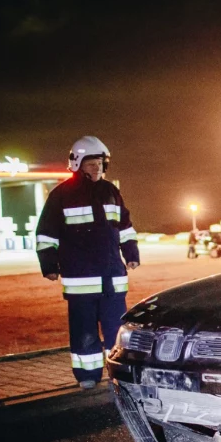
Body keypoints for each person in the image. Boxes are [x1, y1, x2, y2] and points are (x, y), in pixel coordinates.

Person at [35, 136, 139, 389]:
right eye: (92, 163)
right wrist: (49, 265)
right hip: (80, 280)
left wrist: (132, 253)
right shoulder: (61, 195)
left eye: (101, 164)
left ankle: (118, 375)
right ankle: (87, 377)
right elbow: (46, 233)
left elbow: (124, 227)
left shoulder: (111, 192)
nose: (97, 168)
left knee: (116, 331)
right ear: (78, 163)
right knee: (84, 333)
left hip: (112, 278)